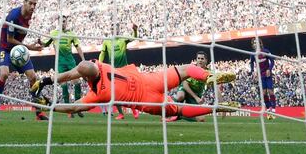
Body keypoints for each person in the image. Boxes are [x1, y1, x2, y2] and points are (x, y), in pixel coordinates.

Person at [33, 60, 239, 119]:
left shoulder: (99, 94)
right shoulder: (101, 66)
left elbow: (73, 107)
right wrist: (46, 81)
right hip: (151, 80)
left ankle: (216, 107)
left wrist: (51, 104)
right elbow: (75, 72)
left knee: (179, 110)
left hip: (146, 99)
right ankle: (208, 75)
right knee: (184, 69)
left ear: (86, 77)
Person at [0, 0, 48, 121]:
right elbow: (10, 39)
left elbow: (19, 36)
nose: (33, 7)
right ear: (24, 2)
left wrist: (37, 43)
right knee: (4, 74)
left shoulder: (28, 17)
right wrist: (31, 47)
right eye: (30, 3)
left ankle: (39, 113)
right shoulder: (14, 16)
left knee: (33, 77)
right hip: (6, 49)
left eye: (35, 4)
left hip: (19, 50)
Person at [40, 15, 85, 118]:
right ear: (58, 23)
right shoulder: (54, 33)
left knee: (77, 83)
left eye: (64, 21)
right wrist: (40, 42)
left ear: (66, 22)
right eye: (61, 22)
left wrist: (83, 60)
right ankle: (69, 111)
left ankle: (78, 108)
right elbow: (45, 44)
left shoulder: (71, 34)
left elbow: (78, 47)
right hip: (60, 63)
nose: (63, 23)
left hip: (71, 63)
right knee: (64, 86)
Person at [167, 51, 223, 122]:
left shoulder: (209, 73)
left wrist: (222, 105)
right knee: (180, 96)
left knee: (201, 119)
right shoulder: (191, 68)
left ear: (206, 60)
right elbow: (185, 84)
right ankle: (167, 110)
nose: (200, 60)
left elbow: (216, 88)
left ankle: (179, 115)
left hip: (195, 95)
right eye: (198, 58)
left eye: (202, 59)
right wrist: (196, 98)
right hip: (186, 90)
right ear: (196, 60)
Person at [99, 23, 139, 120]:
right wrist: (99, 64)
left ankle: (134, 110)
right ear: (111, 30)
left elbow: (134, 38)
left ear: (119, 28)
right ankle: (121, 114)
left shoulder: (123, 38)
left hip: (124, 70)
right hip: (113, 71)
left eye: (116, 27)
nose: (114, 29)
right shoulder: (107, 42)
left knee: (128, 92)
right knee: (114, 93)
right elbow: (102, 54)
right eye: (112, 28)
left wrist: (135, 30)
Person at [250, 38, 276, 119]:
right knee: (264, 93)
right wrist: (253, 71)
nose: (255, 44)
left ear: (260, 43)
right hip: (261, 75)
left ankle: (274, 107)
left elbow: (272, 61)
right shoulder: (253, 54)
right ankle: (268, 108)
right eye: (254, 43)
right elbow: (251, 63)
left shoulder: (266, 51)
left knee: (270, 91)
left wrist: (269, 69)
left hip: (267, 74)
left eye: (256, 42)